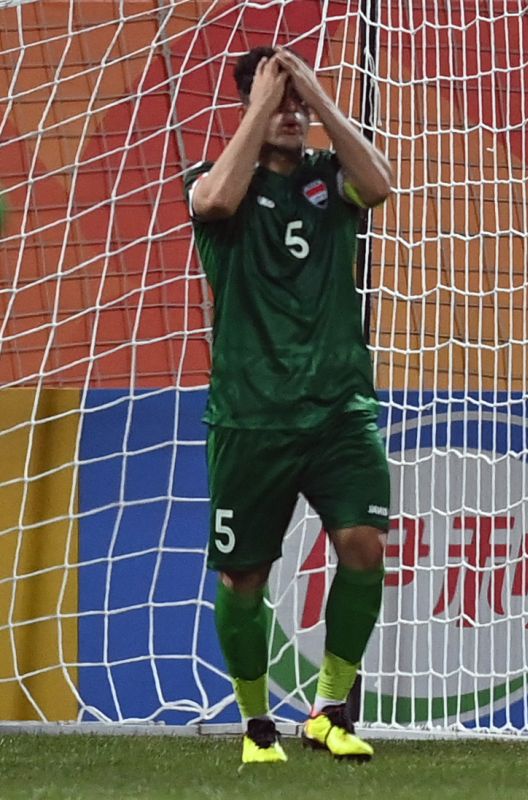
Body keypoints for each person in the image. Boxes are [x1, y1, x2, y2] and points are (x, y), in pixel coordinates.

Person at [185, 45, 395, 764]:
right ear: (250, 111)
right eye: (282, 102)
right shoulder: (216, 187)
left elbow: (382, 184)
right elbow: (213, 201)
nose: (295, 114)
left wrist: (314, 94)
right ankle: (254, 724)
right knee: (244, 576)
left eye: (299, 102)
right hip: (251, 417)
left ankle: (330, 709)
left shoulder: (330, 180)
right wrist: (261, 106)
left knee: (364, 547)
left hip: (338, 411)